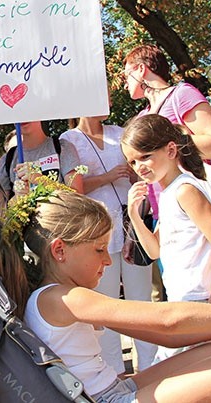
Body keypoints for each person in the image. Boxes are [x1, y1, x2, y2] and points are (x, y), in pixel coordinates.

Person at [5, 188, 211, 402]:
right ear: (59, 250)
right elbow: (167, 320)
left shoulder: (62, 297)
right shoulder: (64, 298)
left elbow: (164, 335)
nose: (107, 261)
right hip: (107, 398)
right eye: (98, 249)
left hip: (115, 389)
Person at [124, 44, 211, 303]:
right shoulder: (143, 116)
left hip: (198, 209)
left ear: (141, 69)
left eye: (126, 74)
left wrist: (170, 141)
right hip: (166, 211)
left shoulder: (181, 94)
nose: (125, 83)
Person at [60, 115, 157, 373]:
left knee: (141, 300)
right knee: (107, 305)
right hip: (97, 232)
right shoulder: (68, 139)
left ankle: (150, 367)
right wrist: (108, 177)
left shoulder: (120, 132)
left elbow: (143, 172)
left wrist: (138, 180)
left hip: (133, 228)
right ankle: (114, 372)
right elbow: (73, 190)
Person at [0, 121, 84, 198]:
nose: (23, 117)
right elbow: (0, 211)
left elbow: (78, 196)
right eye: (18, 111)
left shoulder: (62, 148)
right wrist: (17, 198)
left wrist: (40, 180)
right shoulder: (7, 159)